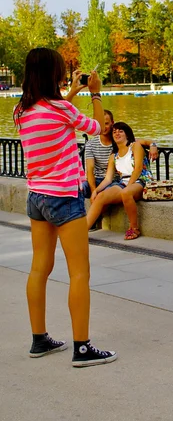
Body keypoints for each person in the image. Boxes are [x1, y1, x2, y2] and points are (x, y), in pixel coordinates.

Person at [14, 48, 117, 367]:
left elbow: (57, 114)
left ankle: (39, 339)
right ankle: (82, 347)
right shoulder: (60, 108)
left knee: (39, 268)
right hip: (64, 197)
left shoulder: (22, 110)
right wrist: (95, 93)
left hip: (36, 198)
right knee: (79, 272)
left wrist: (72, 91)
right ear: (52, 73)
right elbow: (99, 129)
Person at [86, 122, 153, 240]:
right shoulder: (114, 156)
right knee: (101, 197)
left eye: (120, 131)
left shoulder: (135, 146)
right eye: (114, 131)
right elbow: (108, 179)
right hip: (123, 182)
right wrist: (95, 191)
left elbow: (137, 169)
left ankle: (134, 228)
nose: (117, 133)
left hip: (140, 180)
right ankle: (82, 230)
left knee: (125, 193)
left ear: (127, 134)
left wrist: (129, 186)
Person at [82, 109, 158, 199]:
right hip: (97, 180)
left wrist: (153, 145)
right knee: (78, 190)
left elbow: (142, 141)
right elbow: (90, 171)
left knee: (106, 195)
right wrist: (94, 191)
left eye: (106, 123)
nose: (103, 127)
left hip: (115, 181)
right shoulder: (91, 144)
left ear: (112, 123)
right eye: (100, 124)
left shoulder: (120, 139)